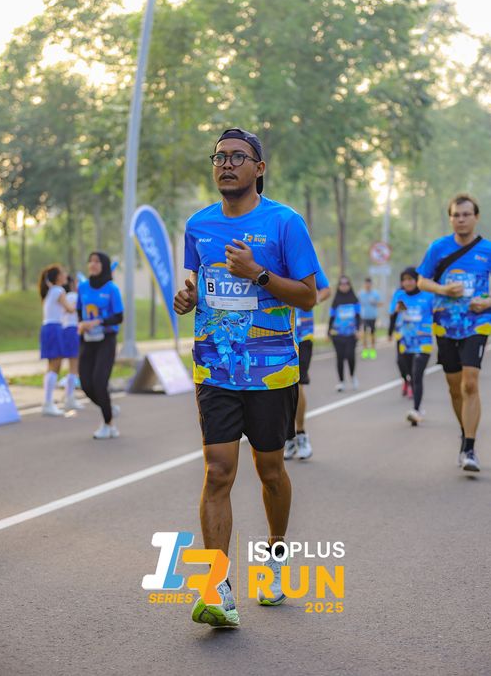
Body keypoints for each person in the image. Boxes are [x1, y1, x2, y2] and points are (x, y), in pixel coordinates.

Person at [174, 127, 319, 628]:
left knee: (270, 471)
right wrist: (189, 298)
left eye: (238, 157)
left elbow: (308, 296)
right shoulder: (198, 225)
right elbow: (200, 285)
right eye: (219, 157)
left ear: (259, 169)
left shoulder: (285, 222)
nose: (227, 164)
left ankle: (275, 558)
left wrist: (258, 273)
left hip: (271, 371)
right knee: (218, 471)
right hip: (215, 366)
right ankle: (218, 589)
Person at [417, 193, 491, 472]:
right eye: (456, 215)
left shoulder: (488, 249)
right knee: (454, 386)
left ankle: (469, 448)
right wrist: (443, 289)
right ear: (450, 219)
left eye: (466, 214)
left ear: (476, 217)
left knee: (470, 383)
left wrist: (489, 301)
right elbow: (422, 281)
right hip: (445, 324)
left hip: (477, 322)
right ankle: (465, 432)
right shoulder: (438, 248)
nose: (461, 220)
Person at [284, 267, 330, 460]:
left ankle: (301, 434)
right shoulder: (270, 259)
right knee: (280, 388)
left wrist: (313, 299)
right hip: (279, 334)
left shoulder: (307, 263)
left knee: (297, 385)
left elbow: (326, 289)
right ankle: (288, 437)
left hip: (303, 336)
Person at [77, 252, 124, 439]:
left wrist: (99, 322)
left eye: (97, 261)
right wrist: (82, 324)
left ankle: (109, 425)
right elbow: (79, 310)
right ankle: (109, 408)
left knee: (99, 382)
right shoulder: (83, 287)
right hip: (87, 340)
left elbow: (119, 316)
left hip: (106, 339)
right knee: (86, 384)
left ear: (104, 265)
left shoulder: (112, 289)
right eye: (91, 261)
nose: (93, 264)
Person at [388, 267, 434, 425]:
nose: (407, 283)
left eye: (410, 279)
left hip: (423, 342)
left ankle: (416, 409)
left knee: (417, 374)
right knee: (408, 373)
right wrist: (395, 314)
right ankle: (417, 407)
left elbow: (438, 315)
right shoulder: (399, 296)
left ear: (417, 280)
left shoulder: (428, 296)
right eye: (404, 280)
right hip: (405, 342)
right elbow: (392, 315)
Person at [39, 265, 76, 416]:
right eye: (63, 272)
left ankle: (48, 402)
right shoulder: (59, 290)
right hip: (54, 328)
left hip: (48, 328)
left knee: (51, 366)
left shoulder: (50, 292)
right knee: (55, 366)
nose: (66, 275)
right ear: (58, 277)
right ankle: (48, 403)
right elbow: (70, 309)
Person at [328, 276, 361, 391]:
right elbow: (331, 317)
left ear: (350, 285)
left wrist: (358, 329)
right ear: (339, 286)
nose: (344, 286)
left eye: (346, 284)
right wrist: (328, 331)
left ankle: (352, 376)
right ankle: (341, 382)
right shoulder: (335, 301)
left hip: (351, 334)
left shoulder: (355, 300)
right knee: (340, 358)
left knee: (350, 356)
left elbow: (358, 316)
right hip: (337, 334)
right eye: (341, 284)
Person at [61, 275, 84, 412]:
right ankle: (69, 398)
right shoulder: (73, 296)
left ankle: (69, 397)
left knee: (72, 367)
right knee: (73, 367)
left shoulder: (65, 297)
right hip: (72, 330)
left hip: (67, 330)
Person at [358, 277, 382, 359]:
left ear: (371, 284)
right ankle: (365, 351)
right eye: (366, 284)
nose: (367, 285)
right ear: (364, 284)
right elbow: (357, 304)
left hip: (372, 316)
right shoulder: (361, 294)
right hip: (364, 316)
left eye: (369, 284)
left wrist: (375, 302)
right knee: (364, 334)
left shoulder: (375, 294)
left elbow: (380, 303)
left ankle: (372, 351)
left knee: (372, 334)